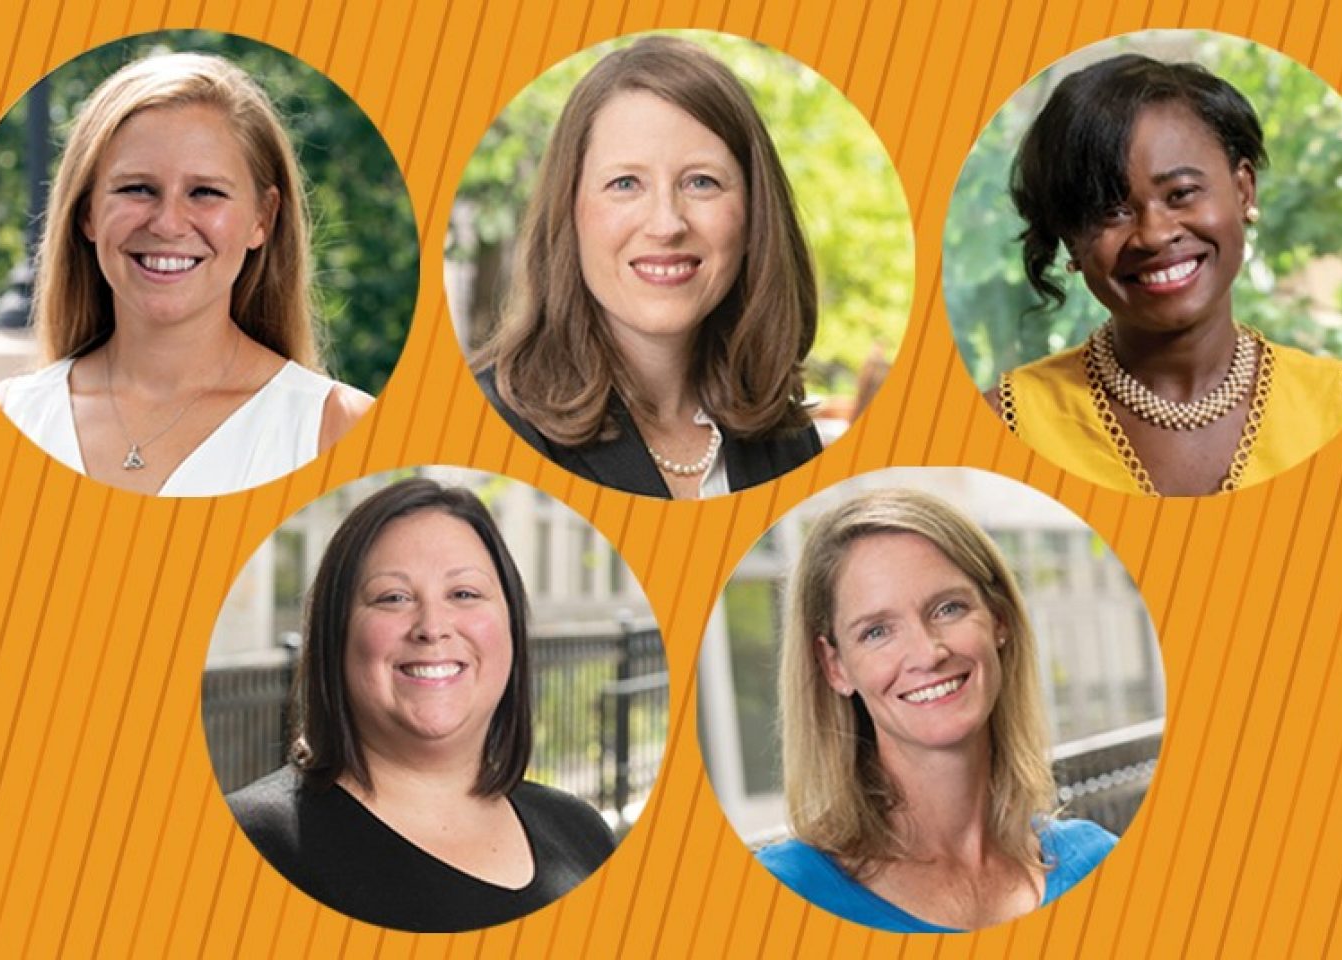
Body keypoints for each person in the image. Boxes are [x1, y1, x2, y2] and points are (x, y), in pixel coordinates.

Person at [226, 479, 616, 932]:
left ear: (510, 625)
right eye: (393, 598)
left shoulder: (581, 832)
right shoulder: (253, 841)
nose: (432, 627)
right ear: (336, 634)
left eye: (464, 594)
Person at [0, 52, 372, 497]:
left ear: (262, 219)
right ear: (87, 212)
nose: (168, 223)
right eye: (137, 189)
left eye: (205, 192)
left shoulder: (337, 427)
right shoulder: (8, 415)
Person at [987, 54, 1342, 497]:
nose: (1155, 234)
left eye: (1181, 193)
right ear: (1071, 240)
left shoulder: (1340, 410)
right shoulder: (1008, 423)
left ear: (1243, 190)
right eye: (1112, 212)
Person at [475, 36, 822, 500]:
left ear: (756, 214)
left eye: (702, 181)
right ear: (569, 214)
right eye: (625, 183)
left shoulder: (789, 443)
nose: (666, 224)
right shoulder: (493, 431)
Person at [759, 489, 1115, 932]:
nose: (928, 653)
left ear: (998, 619)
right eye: (877, 632)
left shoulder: (1097, 861)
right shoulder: (782, 892)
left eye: (948, 608)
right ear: (835, 666)